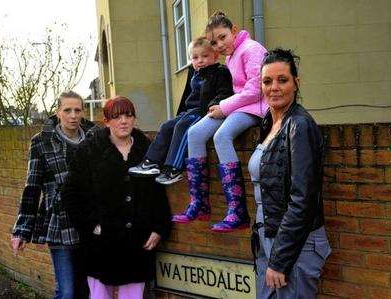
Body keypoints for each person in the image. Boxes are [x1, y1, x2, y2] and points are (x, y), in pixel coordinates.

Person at [61, 96, 171, 299]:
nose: (123, 121)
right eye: (117, 116)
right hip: (101, 245)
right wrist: (93, 224)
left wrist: (159, 228)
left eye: (128, 115)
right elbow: (70, 193)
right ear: (107, 121)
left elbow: (158, 192)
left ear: (134, 119)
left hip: (137, 244)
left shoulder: (148, 150)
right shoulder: (89, 150)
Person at [172, 11, 268, 232]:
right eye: (214, 42)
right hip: (236, 107)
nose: (219, 44)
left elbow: (255, 90)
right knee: (194, 133)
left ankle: (237, 211)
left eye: (223, 37)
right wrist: (224, 106)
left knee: (221, 136)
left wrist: (224, 106)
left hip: (255, 108)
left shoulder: (251, 49)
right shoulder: (231, 55)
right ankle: (199, 203)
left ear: (234, 31)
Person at [249, 48, 331, 298]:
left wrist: (280, 260)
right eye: (267, 81)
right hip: (269, 237)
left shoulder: (299, 126)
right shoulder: (269, 123)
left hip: (296, 244)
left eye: (282, 80)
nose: (274, 87)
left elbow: (302, 199)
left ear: (296, 83)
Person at [11, 91, 94, 299]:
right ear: (57, 112)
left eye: (77, 110)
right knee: (66, 291)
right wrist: (21, 230)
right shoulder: (41, 142)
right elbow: (32, 187)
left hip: (90, 224)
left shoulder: (96, 138)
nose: (73, 115)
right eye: (67, 110)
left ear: (83, 111)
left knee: (88, 290)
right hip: (59, 224)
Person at [128, 37, 233, 185]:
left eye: (205, 56)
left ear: (215, 56)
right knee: (167, 126)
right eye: (195, 58)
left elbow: (225, 92)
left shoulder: (219, 72)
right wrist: (179, 114)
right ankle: (151, 161)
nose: (200, 60)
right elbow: (187, 96)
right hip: (189, 111)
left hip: (203, 111)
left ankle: (173, 168)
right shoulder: (195, 74)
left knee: (182, 127)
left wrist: (215, 104)